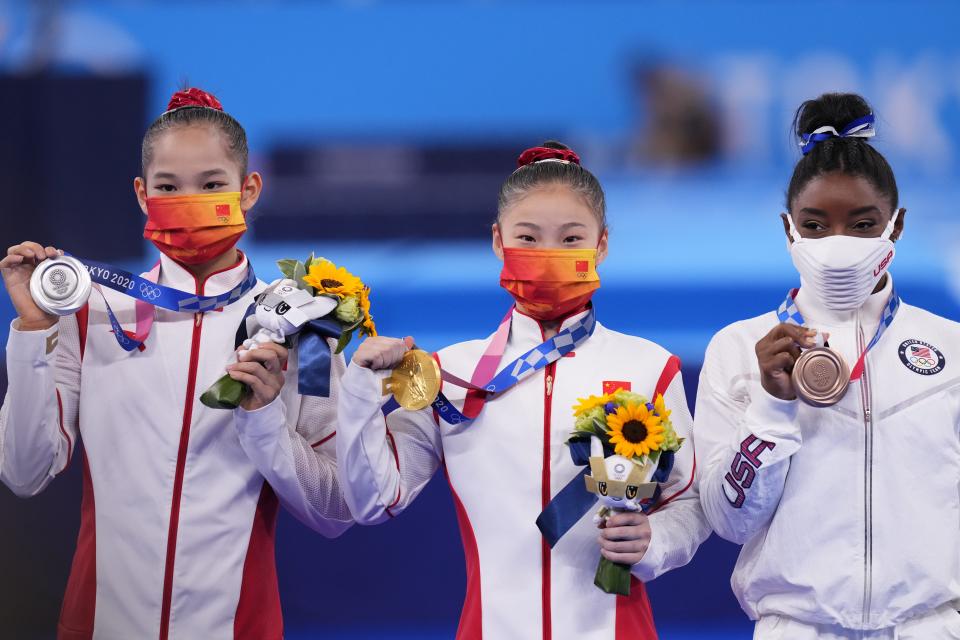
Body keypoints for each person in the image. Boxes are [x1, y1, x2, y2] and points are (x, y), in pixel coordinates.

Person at [0, 88, 353, 640]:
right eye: (168, 187)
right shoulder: (90, 313)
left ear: (249, 189)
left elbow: (335, 509)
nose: (189, 200)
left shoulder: (306, 330)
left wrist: (265, 423)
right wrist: (31, 333)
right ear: (142, 195)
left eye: (212, 184)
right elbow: (22, 473)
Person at [335, 141, 710, 639]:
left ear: (601, 245)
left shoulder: (649, 367)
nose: (548, 255)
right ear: (498, 241)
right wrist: (360, 389)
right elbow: (374, 499)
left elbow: (688, 502)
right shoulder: (449, 375)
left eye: (571, 239)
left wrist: (654, 542)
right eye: (528, 238)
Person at [695, 92, 960, 639]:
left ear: (897, 225)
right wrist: (772, 407)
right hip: (797, 628)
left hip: (929, 627)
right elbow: (728, 521)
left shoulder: (949, 347)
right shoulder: (739, 347)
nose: (837, 244)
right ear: (788, 228)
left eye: (863, 225)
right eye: (815, 226)